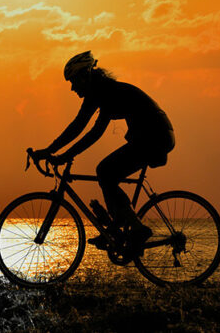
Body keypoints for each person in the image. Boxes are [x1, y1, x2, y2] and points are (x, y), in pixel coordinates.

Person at [32, 50, 175, 252]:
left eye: (73, 81)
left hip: (155, 136)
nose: (72, 88)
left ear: (85, 76)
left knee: (105, 171)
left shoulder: (106, 92)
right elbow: (78, 125)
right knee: (107, 174)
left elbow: (93, 133)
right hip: (152, 135)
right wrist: (50, 150)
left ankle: (137, 228)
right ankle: (118, 228)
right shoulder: (97, 92)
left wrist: (63, 154)